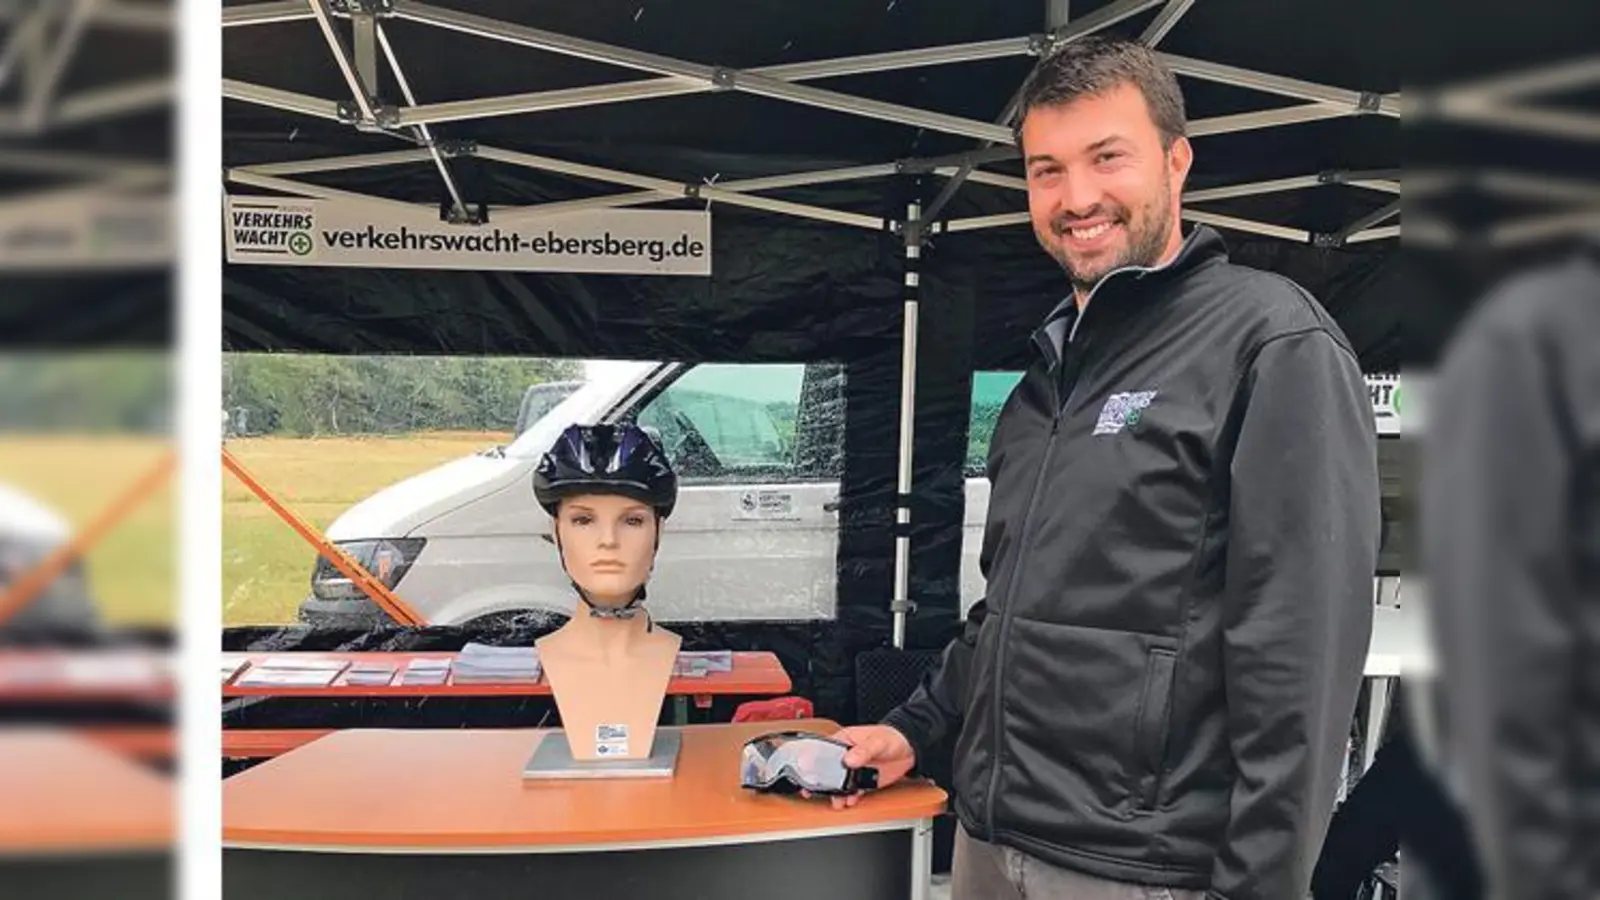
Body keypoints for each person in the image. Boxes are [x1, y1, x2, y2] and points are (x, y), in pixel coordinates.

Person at [829, 36, 1380, 900]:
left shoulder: (1271, 343)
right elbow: (1006, 613)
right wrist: (913, 729)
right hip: (989, 841)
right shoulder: (1046, 378)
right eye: (1046, 170)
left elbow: (1301, 666)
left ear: (1176, 161)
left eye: (1106, 158)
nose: (1076, 197)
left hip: (1145, 871)